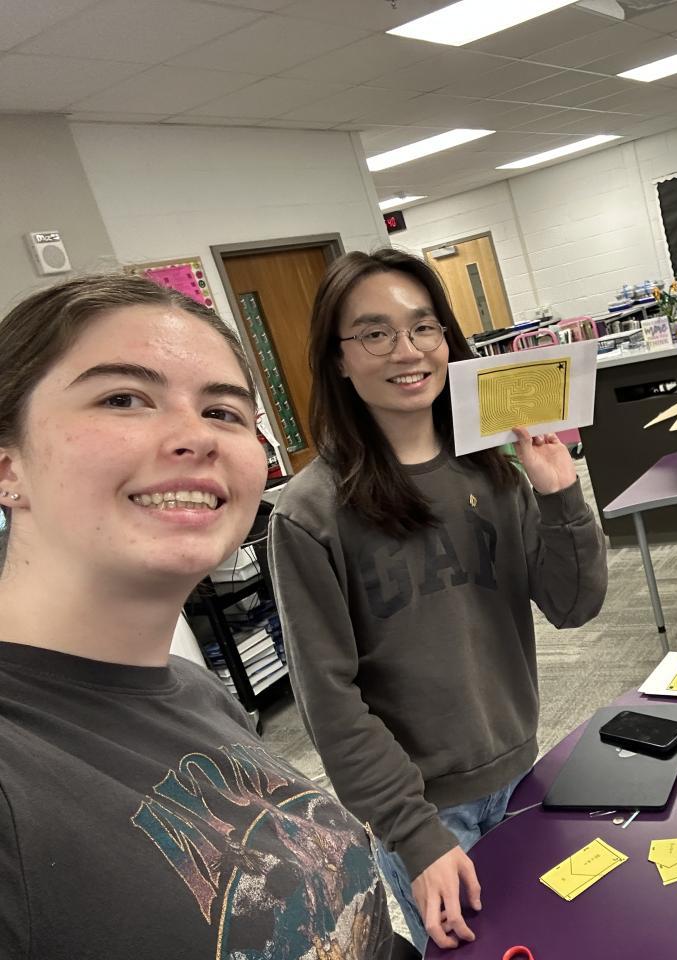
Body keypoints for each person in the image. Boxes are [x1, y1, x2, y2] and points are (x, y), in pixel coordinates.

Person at [0, 275, 396, 960]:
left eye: (223, 411)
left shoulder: (195, 689)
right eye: (123, 398)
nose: (196, 436)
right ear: (7, 466)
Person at [269, 249, 607, 952]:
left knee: (557, 939)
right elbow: (330, 701)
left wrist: (559, 495)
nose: (408, 351)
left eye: (424, 328)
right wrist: (413, 833)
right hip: (424, 813)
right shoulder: (310, 513)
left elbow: (574, 606)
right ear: (338, 359)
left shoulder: (493, 471)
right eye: (375, 333)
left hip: (522, 771)